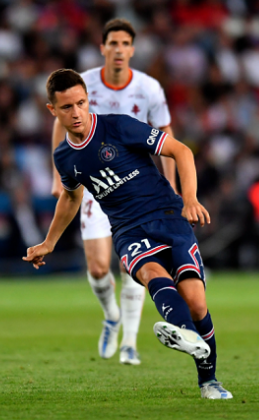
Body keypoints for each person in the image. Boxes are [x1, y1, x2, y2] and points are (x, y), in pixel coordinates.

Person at [25, 69, 233, 399]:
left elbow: (182, 151)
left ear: (87, 99)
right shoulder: (64, 157)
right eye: (67, 107)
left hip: (168, 216)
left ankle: (208, 378)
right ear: (52, 110)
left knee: (196, 303)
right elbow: (71, 197)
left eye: (81, 103)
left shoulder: (119, 126)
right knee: (150, 272)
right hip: (127, 229)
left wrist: (190, 199)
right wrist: (49, 242)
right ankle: (184, 334)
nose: (77, 113)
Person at [50, 18, 177, 365]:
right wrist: (55, 175)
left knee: (131, 263)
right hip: (93, 182)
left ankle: (130, 344)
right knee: (96, 267)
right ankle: (111, 316)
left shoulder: (149, 88)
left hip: (134, 184)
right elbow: (60, 125)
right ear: (103, 47)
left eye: (125, 44)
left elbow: (166, 135)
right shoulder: (84, 83)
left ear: (132, 49)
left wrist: (172, 188)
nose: (119, 50)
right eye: (113, 43)